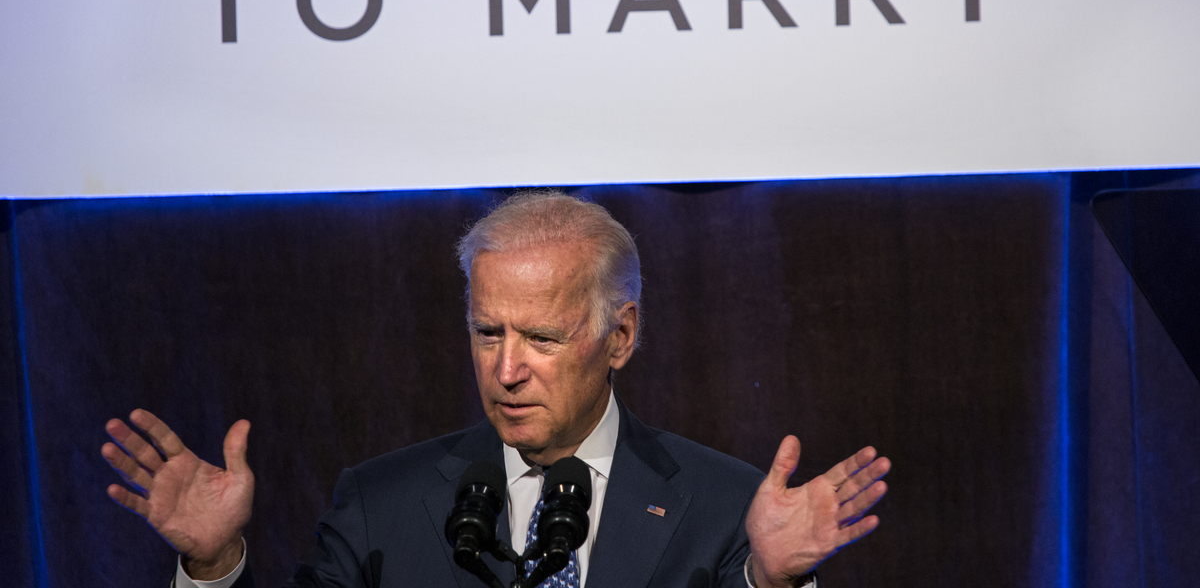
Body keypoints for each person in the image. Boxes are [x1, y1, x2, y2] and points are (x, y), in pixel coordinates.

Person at [102, 191, 890, 587]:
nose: (505, 370)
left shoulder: (725, 508)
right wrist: (212, 570)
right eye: (488, 332)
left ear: (620, 336)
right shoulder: (382, 504)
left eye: (542, 339)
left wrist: (768, 584)